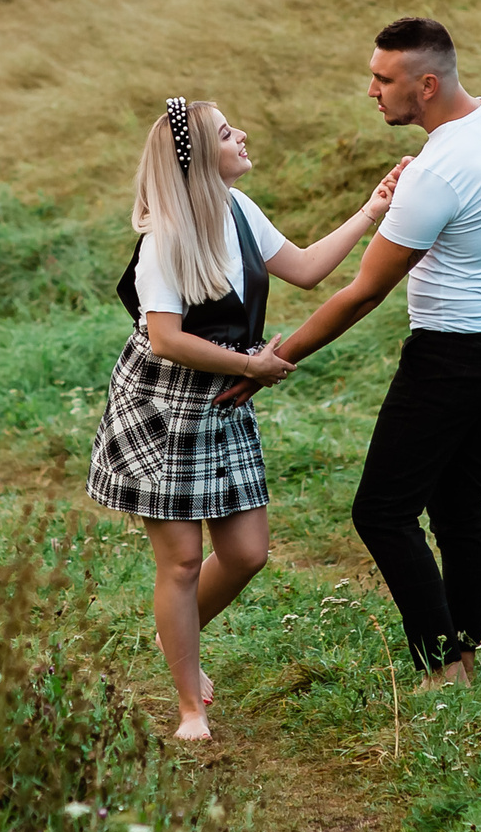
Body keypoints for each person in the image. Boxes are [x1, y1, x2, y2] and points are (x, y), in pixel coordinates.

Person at [222, 18, 481, 686]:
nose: (371, 90)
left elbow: (363, 294)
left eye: (384, 79)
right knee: (459, 505)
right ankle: (468, 652)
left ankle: (441, 667)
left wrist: (277, 359)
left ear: (426, 85)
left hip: (451, 359)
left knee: (382, 512)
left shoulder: (436, 173)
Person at [91, 96, 405, 741]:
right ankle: (190, 708)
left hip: (224, 394)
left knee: (246, 554)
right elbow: (165, 338)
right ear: (203, 156)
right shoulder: (165, 242)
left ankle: (173, 637)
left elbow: (307, 270)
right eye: (229, 133)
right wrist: (255, 368)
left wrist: (372, 212)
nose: (244, 136)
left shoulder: (239, 211)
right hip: (162, 402)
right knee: (180, 562)